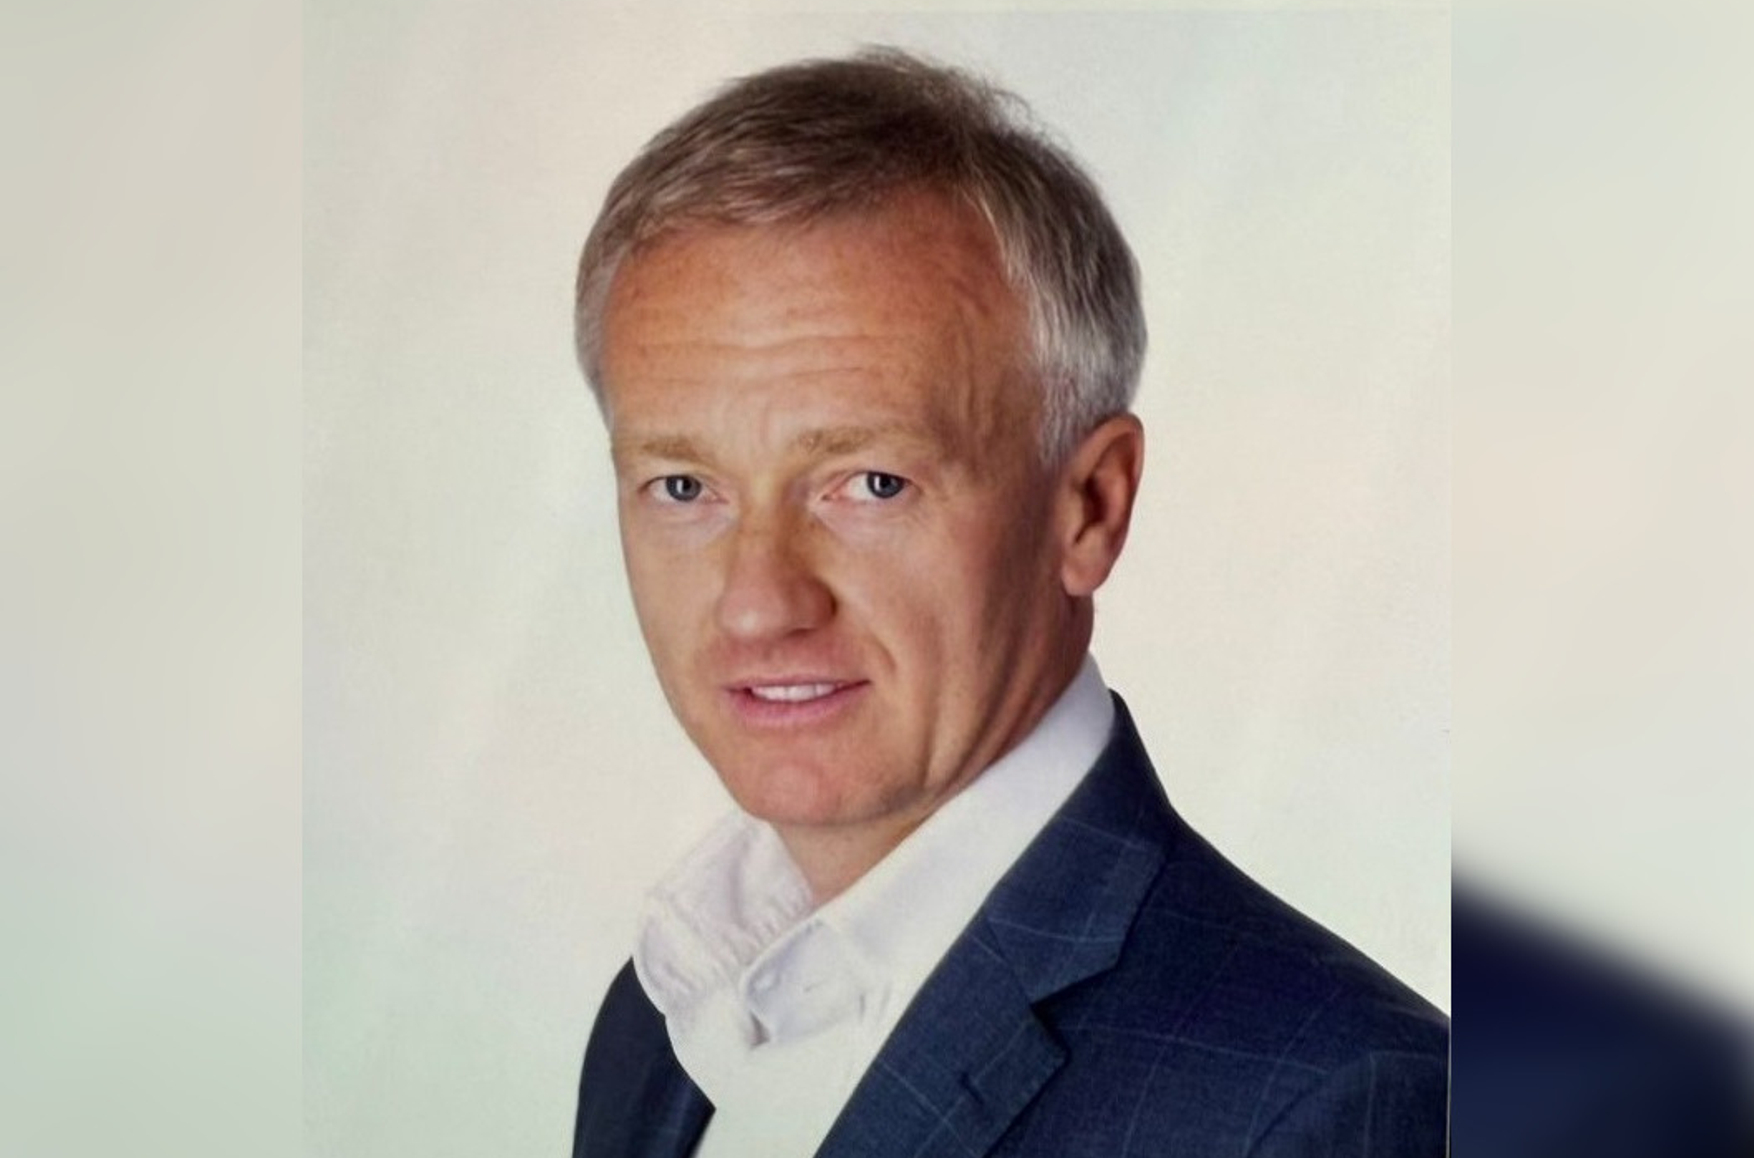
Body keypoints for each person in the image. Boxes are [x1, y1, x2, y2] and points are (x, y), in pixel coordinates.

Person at [569, 48, 1448, 1157]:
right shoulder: (658, 1025)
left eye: (870, 484)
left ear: (1088, 508)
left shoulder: (1333, 1107)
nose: (757, 606)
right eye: (683, 487)